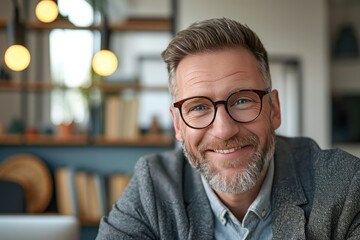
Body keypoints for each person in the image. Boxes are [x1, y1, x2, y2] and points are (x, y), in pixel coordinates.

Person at [96, 18, 360, 239]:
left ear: (274, 109)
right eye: (198, 107)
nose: (224, 130)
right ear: (178, 124)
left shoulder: (344, 187)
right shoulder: (152, 187)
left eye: (242, 100)